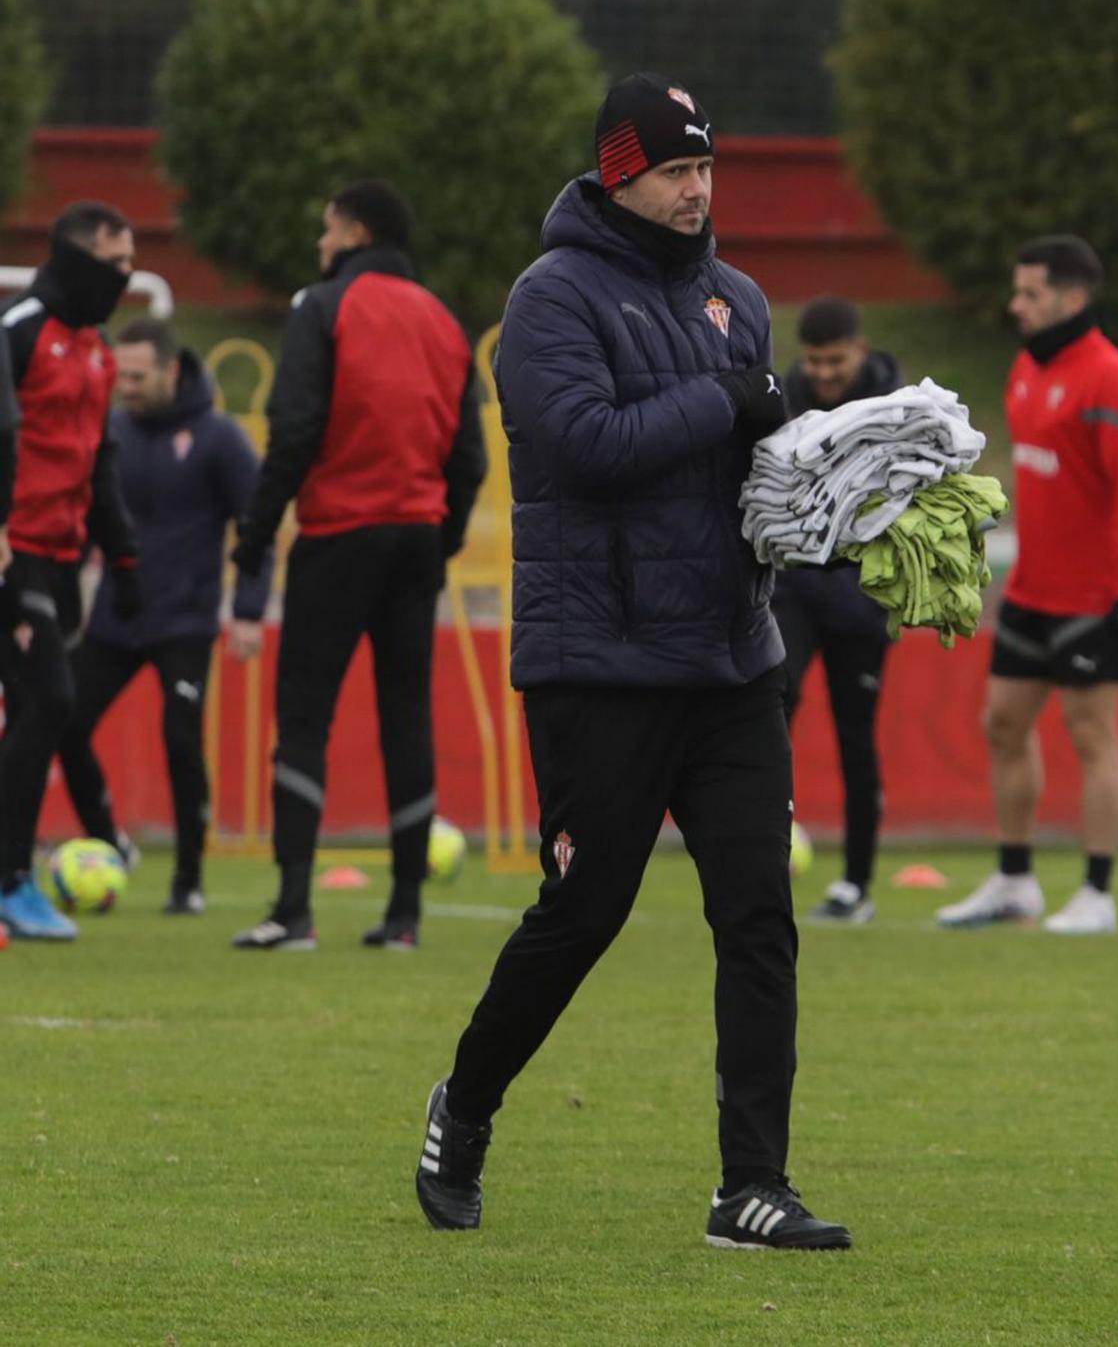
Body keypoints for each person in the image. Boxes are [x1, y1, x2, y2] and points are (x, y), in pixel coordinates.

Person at [414, 73, 851, 1251]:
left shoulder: (739, 297)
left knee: (760, 914)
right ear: (619, 174)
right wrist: (729, 401)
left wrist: (836, 487)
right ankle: (467, 1102)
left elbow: (753, 463)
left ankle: (751, 1185)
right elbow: (587, 447)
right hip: (599, 659)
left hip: (729, 658)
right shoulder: (550, 297)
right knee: (585, 911)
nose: (697, 191)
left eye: (707, 169)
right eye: (674, 171)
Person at [230, 179, 486, 951]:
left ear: (355, 232)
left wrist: (256, 532)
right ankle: (405, 914)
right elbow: (469, 458)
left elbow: (296, 425)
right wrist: (437, 543)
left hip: (339, 532)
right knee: (406, 714)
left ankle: (293, 910)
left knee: (306, 714)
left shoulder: (321, 306)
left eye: (326, 228)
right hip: (415, 536)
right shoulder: (445, 320)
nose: (319, 243)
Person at [938, 235, 1118, 935]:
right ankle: (1016, 880)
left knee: (1093, 734)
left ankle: (1097, 892)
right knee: (1001, 722)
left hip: (1095, 596)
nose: (1016, 305)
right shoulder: (1027, 369)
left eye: (1030, 293)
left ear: (1073, 298)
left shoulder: (1111, 377)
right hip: (1032, 589)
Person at [55, 318, 272, 914]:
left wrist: (249, 610)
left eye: (136, 375)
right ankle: (108, 843)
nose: (123, 385)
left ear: (171, 371)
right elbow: (81, 517)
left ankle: (188, 880)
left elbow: (256, 529)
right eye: (118, 374)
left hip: (185, 619)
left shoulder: (219, 439)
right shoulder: (113, 432)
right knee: (63, 722)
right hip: (114, 617)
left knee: (180, 740)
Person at [0, 201, 139, 941]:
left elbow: (101, 460)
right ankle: (12, 878)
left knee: (34, 711)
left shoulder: (98, 349)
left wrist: (123, 556)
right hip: (11, 548)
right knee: (52, 699)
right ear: (77, 258)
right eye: (115, 263)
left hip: (63, 555)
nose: (124, 278)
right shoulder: (19, 332)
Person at [774, 296, 902, 924]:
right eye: (814, 361)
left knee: (856, 736)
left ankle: (856, 884)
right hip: (793, 585)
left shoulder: (901, 407)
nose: (823, 373)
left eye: (835, 361)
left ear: (861, 348)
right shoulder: (785, 398)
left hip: (862, 593)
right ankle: (760, 858)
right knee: (771, 711)